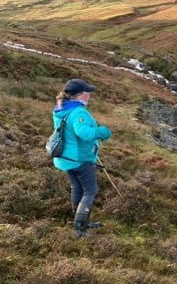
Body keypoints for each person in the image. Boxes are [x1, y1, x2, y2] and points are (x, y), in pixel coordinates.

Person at [52, 78, 112, 237]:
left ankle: (80, 221)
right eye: (87, 92)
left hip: (65, 158)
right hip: (79, 159)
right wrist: (102, 132)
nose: (90, 95)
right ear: (79, 95)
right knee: (91, 190)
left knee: (77, 187)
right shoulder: (78, 111)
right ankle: (79, 228)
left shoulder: (61, 107)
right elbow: (84, 133)